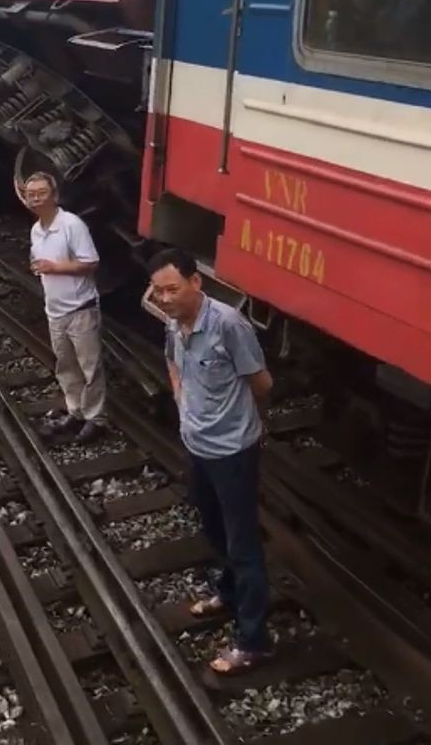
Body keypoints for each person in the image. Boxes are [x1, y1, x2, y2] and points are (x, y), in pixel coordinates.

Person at [148, 248, 274, 676]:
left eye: (173, 289)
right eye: (159, 290)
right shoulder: (172, 322)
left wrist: (235, 423)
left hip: (233, 451)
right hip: (198, 446)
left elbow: (261, 382)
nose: (165, 298)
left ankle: (253, 640)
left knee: (243, 544)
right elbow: (171, 359)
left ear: (196, 282)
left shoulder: (228, 325)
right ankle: (229, 593)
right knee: (214, 528)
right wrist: (184, 401)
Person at [22, 171, 106, 443]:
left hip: (80, 307)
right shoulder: (36, 230)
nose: (35, 199)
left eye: (40, 193)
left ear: (54, 195)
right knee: (66, 366)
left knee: (90, 367)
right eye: (30, 194)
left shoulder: (72, 224)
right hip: (55, 310)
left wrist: (54, 268)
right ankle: (76, 411)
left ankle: (97, 418)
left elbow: (91, 262)